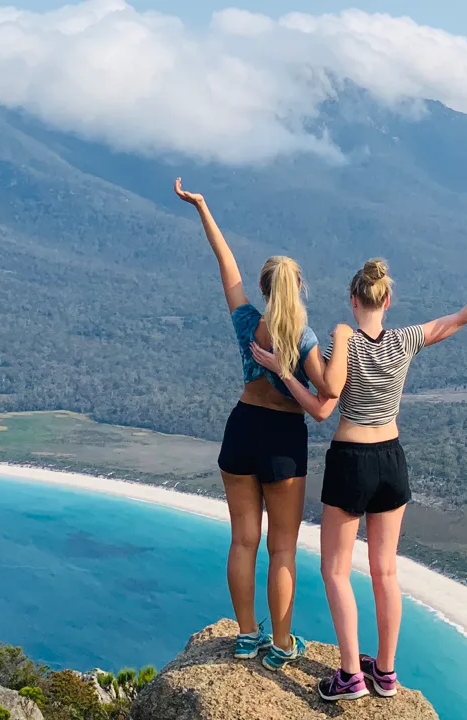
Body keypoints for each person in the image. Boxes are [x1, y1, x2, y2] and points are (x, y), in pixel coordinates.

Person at [251, 255, 467, 701]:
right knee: (386, 571)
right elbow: (462, 317)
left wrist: (284, 370)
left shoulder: (343, 340)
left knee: (335, 570)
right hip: (392, 458)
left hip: (351, 458)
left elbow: (324, 400)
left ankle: (350, 675)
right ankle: (385, 673)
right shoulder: (406, 340)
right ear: (388, 299)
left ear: (353, 300)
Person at [174, 178, 349, 672]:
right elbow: (325, 394)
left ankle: (247, 635)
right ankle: (282, 642)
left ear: (265, 289)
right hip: (282, 442)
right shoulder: (304, 336)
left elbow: (225, 264)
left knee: (243, 541)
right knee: (283, 548)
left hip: (241, 430)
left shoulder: (247, 320)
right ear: (300, 290)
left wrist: (203, 208)